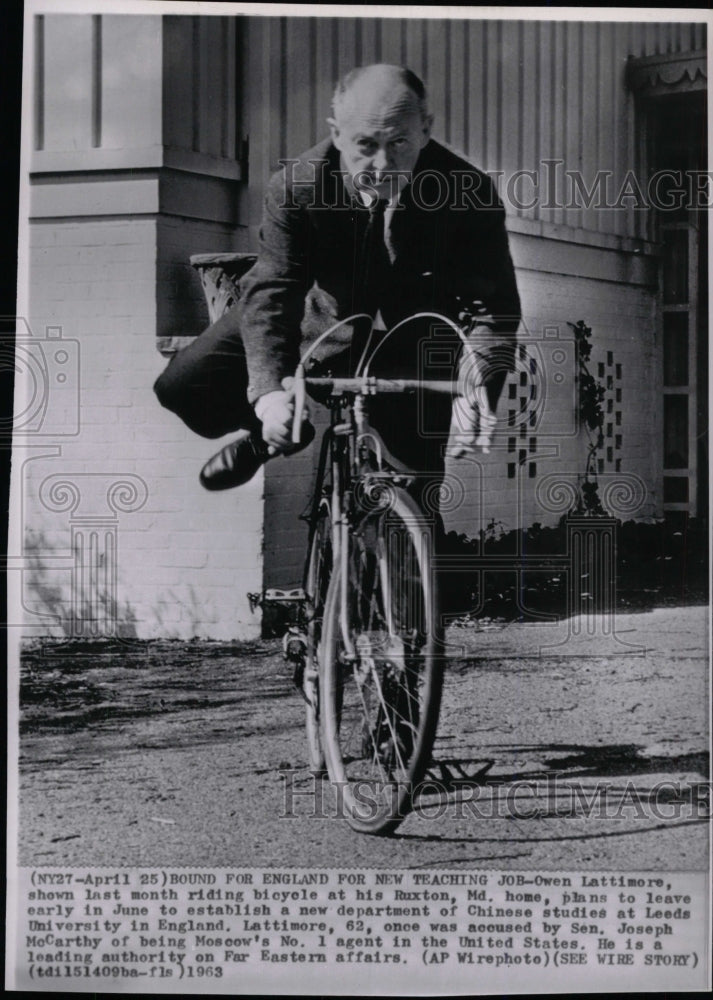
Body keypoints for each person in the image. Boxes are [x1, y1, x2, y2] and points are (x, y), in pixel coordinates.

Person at [154, 64, 521, 506]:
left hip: (413, 350)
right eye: (366, 145)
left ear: (426, 129)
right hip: (318, 324)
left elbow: (492, 307)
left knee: (413, 508)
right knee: (182, 385)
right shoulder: (297, 186)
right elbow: (274, 288)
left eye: (400, 141)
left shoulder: (468, 191)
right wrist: (269, 393)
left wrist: (476, 381)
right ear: (338, 133)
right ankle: (266, 438)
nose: (383, 165)